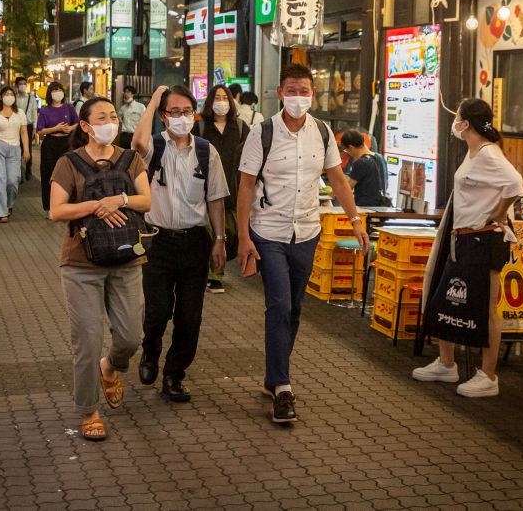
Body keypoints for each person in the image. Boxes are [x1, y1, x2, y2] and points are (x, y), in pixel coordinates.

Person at [236, 63, 370, 424]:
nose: (299, 97)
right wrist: (243, 236)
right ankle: (282, 387)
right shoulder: (261, 133)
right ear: (280, 93)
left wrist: (356, 220)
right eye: (292, 90)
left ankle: (273, 375)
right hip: (269, 231)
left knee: (294, 308)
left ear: (313, 94)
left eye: (305, 91)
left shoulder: (323, 133)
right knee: (278, 305)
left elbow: (338, 180)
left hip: (307, 232)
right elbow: (246, 186)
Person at [49, 97, 152, 441]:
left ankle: (110, 367)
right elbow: (57, 211)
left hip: (127, 259)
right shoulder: (69, 163)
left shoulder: (131, 158)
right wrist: (95, 206)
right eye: (101, 117)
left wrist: (118, 200)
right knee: (88, 341)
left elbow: (146, 201)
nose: (110, 121)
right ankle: (89, 410)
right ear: (85, 126)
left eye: (113, 116)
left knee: (130, 337)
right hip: (81, 263)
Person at [413, 98, 523, 398]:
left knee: (487, 308)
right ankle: (447, 364)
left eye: (457, 116)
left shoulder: (488, 153)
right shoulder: (473, 151)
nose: (454, 121)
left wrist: (500, 214)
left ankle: (488, 375)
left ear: (467, 123)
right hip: (462, 238)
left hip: (484, 239)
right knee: (446, 300)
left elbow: (515, 183)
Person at [132, 85, 228, 401]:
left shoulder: (205, 151)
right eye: (174, 112)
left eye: (187, 112)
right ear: (162, 116)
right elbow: (137, 142)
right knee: (158, 311)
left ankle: (174, 374)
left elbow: (215, 198)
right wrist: (155, 97)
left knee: (189, 317)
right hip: (157, 242)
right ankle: (150, 352)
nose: (181, 118)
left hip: (194, 245)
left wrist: (219, 239)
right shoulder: (154, 148)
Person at [193, 84, 250, 294]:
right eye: (217, 98)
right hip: (204, 190)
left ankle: (215, 269)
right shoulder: (200, 127)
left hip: (233, 190)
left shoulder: (242, 127)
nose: (221, 102)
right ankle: (213, 275)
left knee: (228, 234)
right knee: (208, 234)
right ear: (210, 101)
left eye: (225, 98)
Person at [0, 86, 30, 223]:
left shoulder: (20, 113)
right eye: (6, 94)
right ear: (1, 97)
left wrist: (27, 150)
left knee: (13, 180)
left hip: (15, 148)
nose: (9, 96)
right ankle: (1, 212)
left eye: (11, 94)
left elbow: (24, 132)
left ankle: (9, 204)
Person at [37, 82, 79, 211]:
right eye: (54, 90)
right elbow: (40, 131)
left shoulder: (69, 107)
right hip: (50, 144)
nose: (58, 92)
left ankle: (67, 203)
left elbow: (77, 123)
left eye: (60, 90)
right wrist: (55, 129)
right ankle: (50, 207)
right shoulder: (45, 110)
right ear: (50, 93)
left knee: (68, 174)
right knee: (49, 175)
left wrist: (69, 129)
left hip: (66, 143)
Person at [338, 130, 389, 207]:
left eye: (346, 150)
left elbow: (347, 188)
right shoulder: (380, 158)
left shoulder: (361, 162)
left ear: (351, 147)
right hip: (380, 205)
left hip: (366, 207)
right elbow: (386, 184)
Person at [15, 77, 39, 181]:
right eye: (20, 84)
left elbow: (34, 113)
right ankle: (18, 173)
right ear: (16, 86)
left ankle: (28, 168)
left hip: (28, 126)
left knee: (27, 148)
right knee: (17, 150)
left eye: (25, 84)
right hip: (16, 127)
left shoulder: (31, 98)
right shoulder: (14, 98)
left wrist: (34, 128)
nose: (23, 86)